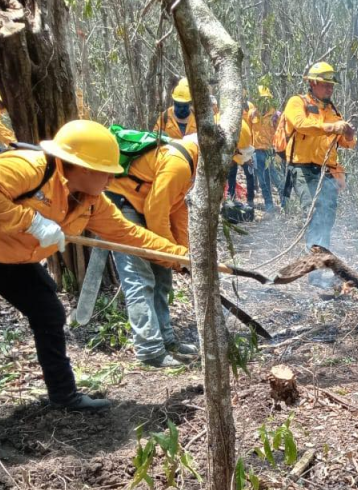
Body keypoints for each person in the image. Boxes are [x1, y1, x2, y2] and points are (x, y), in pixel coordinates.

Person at [0, 120, 189, 411]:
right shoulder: (29, 167)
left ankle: (64, 396)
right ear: (84, 167)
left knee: (48, 313)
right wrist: (32, 222)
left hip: (15, 261)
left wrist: (183, 258)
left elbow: (130, 235)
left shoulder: (93, 201)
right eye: (107, 173)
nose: (112, 181)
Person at [105, 121, 253, 369]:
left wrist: (185, 255)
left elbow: (176, 212)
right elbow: (156, 212)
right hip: (125, 207)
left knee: (162, 279)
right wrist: (171, 255)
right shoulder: (178, 162)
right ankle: (149, 350)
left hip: (144, 207)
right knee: (141, 280)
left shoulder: (192, 164)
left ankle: (167, 340)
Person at [279, 61, 356, 284]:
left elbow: (347, 143)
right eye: (325, 84)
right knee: (315, 212)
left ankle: (324, 261)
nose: (330, 88)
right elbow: (302, 125)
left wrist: (348, 133)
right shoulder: (297, 103)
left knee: (327, 216)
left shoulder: (332, 110)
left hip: (328, 171)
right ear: (312, 83)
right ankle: (314, 269)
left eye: (331, 85)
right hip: (303, 169)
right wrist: (333, 127)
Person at [251, 86, 279, 212]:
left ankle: (286, 205)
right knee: (263, 181)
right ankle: (269, 207)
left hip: (271, 152)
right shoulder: (253, 115)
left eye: (265, 99)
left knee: (276, 179)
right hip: (257, 152)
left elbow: (280, 133)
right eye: (261, 99)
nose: (263, 102)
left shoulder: (275, 115)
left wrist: (278, 151)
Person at [225, 97, 256, 206]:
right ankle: (231, 198)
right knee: (231, 175)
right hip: (233, 151)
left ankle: (250, 200)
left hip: (246, 150)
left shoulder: (249, 111)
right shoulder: (227, 118)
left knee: (249, 175)